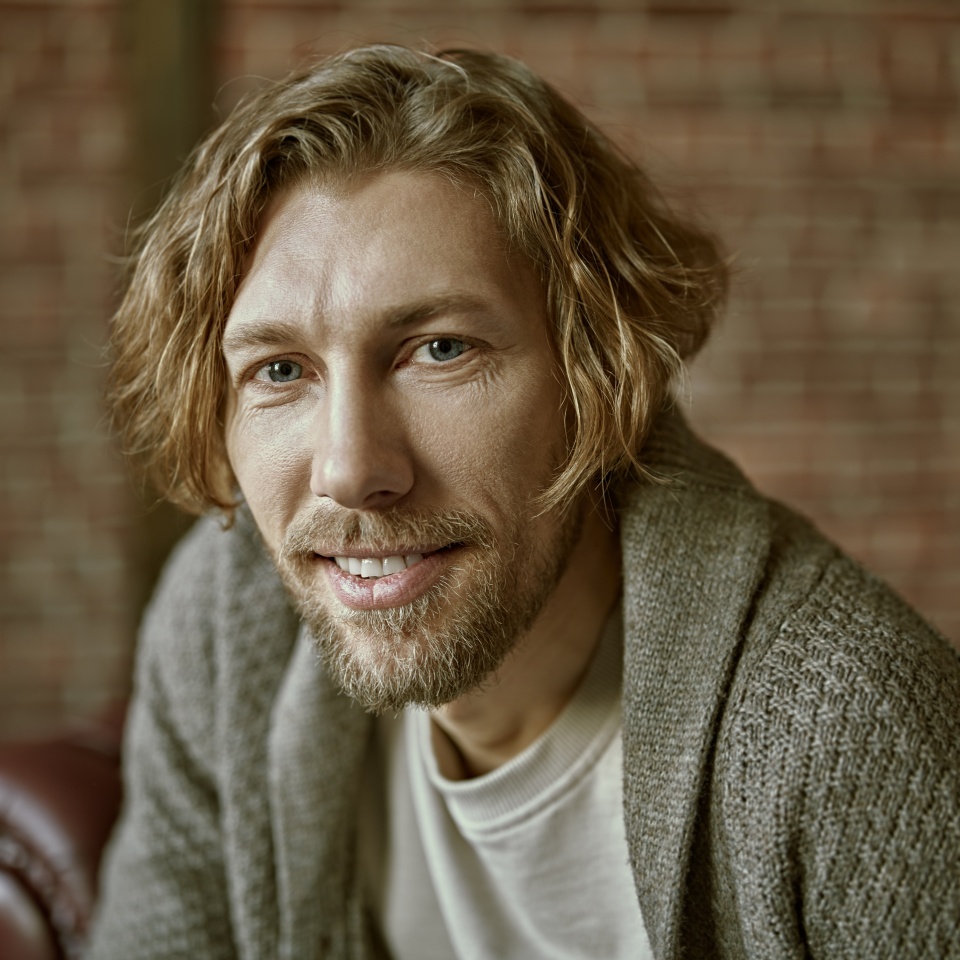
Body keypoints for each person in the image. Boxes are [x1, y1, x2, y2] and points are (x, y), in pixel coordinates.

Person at [90, 44, 960, 960]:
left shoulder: (854, 729)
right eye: (279, 371)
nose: (349, 470)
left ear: (600, 376)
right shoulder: (229, 626)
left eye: (439, 351)